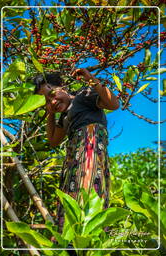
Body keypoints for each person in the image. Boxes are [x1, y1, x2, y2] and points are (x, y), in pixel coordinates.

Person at [34, 68, 119, 231]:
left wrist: (91, 79)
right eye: (45, 101)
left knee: (88, 187)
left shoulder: (82, 96)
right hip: (75, 155)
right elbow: (53, 141)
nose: (52, 102)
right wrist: (50, 113)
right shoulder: (65, 116)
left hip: (90, 147)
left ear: (63, 86)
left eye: (52, 95)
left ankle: (86, 234)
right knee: (72, 193)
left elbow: (113, 104)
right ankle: (72, 235)